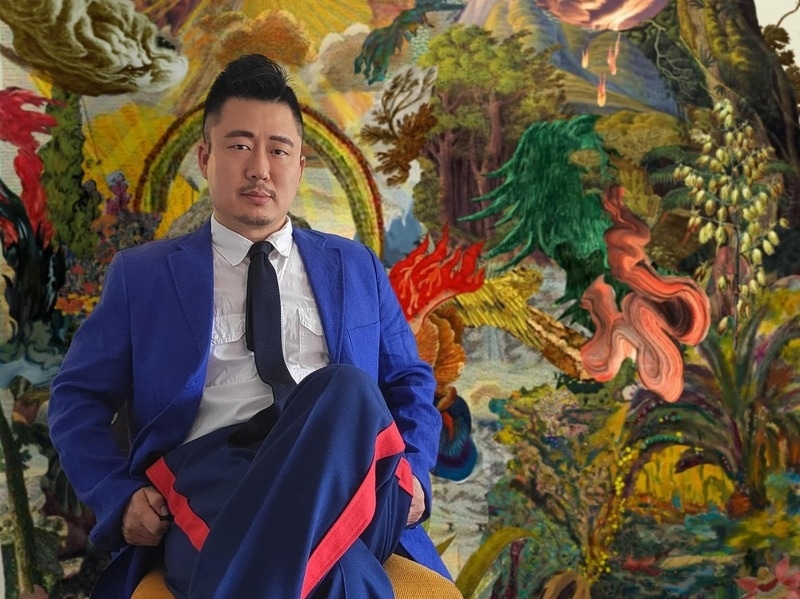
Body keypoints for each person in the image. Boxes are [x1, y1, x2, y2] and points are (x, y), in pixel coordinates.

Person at [48, 54, 450, 598]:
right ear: (206, 157)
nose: (260, 167)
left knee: (347, 389)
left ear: (300, 165)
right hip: (213, 481)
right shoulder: (142, 277)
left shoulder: (356, 267)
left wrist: (416, 474)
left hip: (347, 479)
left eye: (278, 150)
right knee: (347, 576)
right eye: (239, 146)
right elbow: (76, 397)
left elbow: (409, 382)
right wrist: (116, 496)